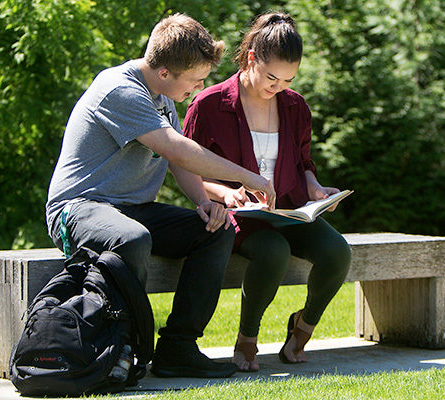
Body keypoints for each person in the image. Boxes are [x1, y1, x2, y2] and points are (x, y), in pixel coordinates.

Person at [45, 13, 275, 379]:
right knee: (132, 238)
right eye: (195, 81)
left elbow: (176, 158)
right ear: (165, 71)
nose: (198, 90)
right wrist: (252, 178)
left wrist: (203, 201)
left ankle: (178, 348)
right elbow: (180, 149)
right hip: (77, 209)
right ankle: (120, 347)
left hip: (132, 210)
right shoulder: (119, 88)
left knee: (217, 230)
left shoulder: (161, 95)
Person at [184, 11, 352, 372]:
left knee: (337, 251)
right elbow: (185, 167)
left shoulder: (295, 107)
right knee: (273, 252)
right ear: (250, 60)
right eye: (272, 77)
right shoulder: (208, 105)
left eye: (288, 79)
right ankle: (247, 339)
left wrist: (317, 189)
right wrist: (224, 194)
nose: (278, 86)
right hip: (241, 217)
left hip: (290, 210)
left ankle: (302, 329)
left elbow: (304, 163)